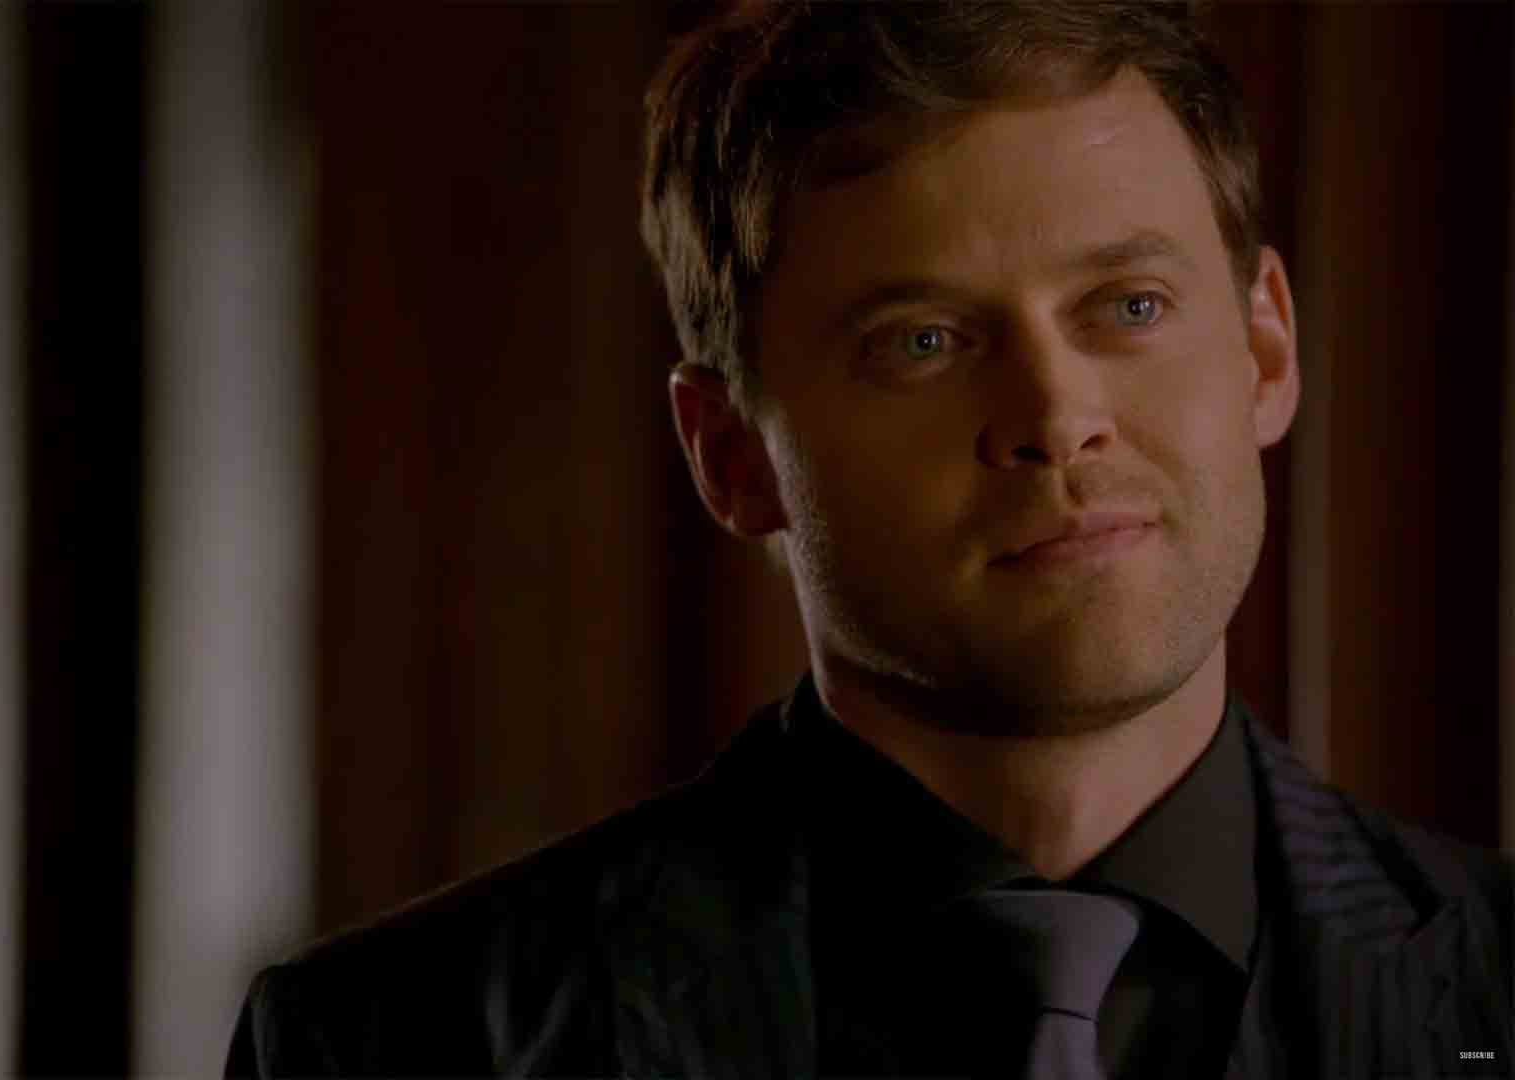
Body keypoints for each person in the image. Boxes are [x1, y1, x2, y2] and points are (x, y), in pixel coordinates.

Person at [225, 3, 1514, 1077]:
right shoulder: (399, 1041)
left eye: (1130, 305)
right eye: (924, 342)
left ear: (1266, 349)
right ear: (731, 455)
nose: (1055, 417)